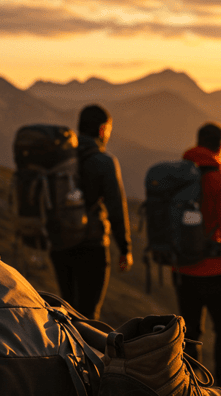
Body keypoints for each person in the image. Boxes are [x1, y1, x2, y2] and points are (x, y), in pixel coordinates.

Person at [174, 122, 221, 395]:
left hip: (182, 268)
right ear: (220, 146)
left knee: (190, 332)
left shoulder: (177, 177)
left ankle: (192, 390)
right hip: (215, 270)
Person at [49, 105, 132, 320]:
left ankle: (68, 352)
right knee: (88, 314)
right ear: (103, 129)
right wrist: (125, 248)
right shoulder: (104, 162)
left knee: (67, 309)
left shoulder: (60, 159)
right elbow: (116, 208)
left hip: (60, 245)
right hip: (92, 246)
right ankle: (84, 353)